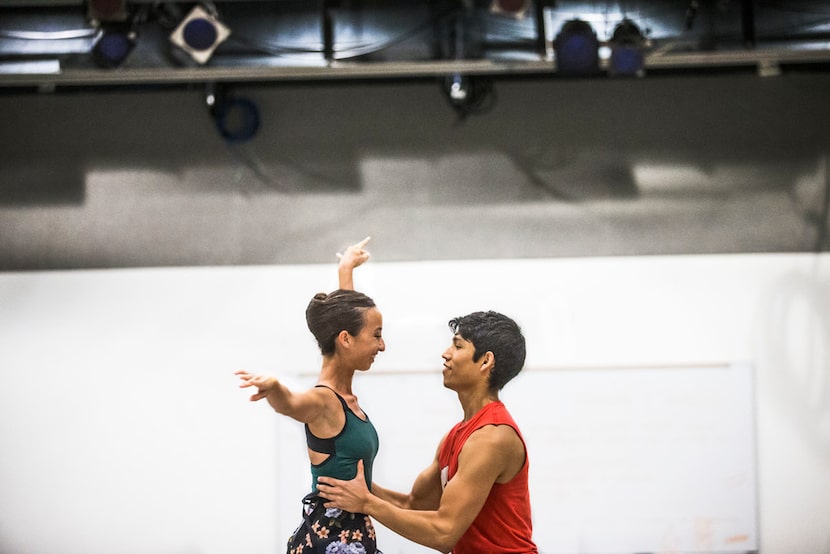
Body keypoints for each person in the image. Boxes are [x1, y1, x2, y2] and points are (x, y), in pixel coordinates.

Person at [317, 310, 537, 554]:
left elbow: (444, 532)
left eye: (458, 346)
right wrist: (358, 484)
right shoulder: (456, 436)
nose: (445, 354)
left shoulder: (492, 437)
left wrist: (367, 502)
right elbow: (415, 504)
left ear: (485, 361)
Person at [235, 237, 387, 554]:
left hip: (353, 538)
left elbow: (348, 316)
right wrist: (275, 386)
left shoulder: (345, 396)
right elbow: (291, 403)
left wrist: (345, 270)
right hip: (331, 543)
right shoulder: (324, 402)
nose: (382, 346)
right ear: (345, 340)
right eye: (376, 336)